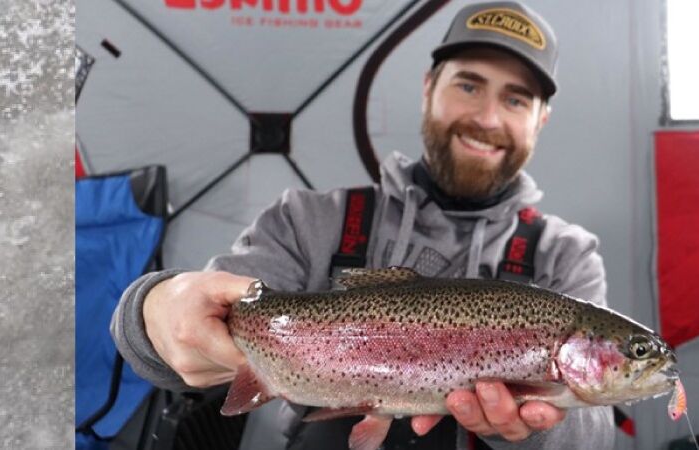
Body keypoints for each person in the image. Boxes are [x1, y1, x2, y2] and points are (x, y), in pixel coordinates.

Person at [111, 1, 616, 448]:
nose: (487, 117)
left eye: (516, 99)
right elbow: (175, 336)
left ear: (541, 119)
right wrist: (151, 308)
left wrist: (527, 428)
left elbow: (595, 437)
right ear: (428, 88)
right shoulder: (307, 220)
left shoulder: (566, 255)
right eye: (468, 84)